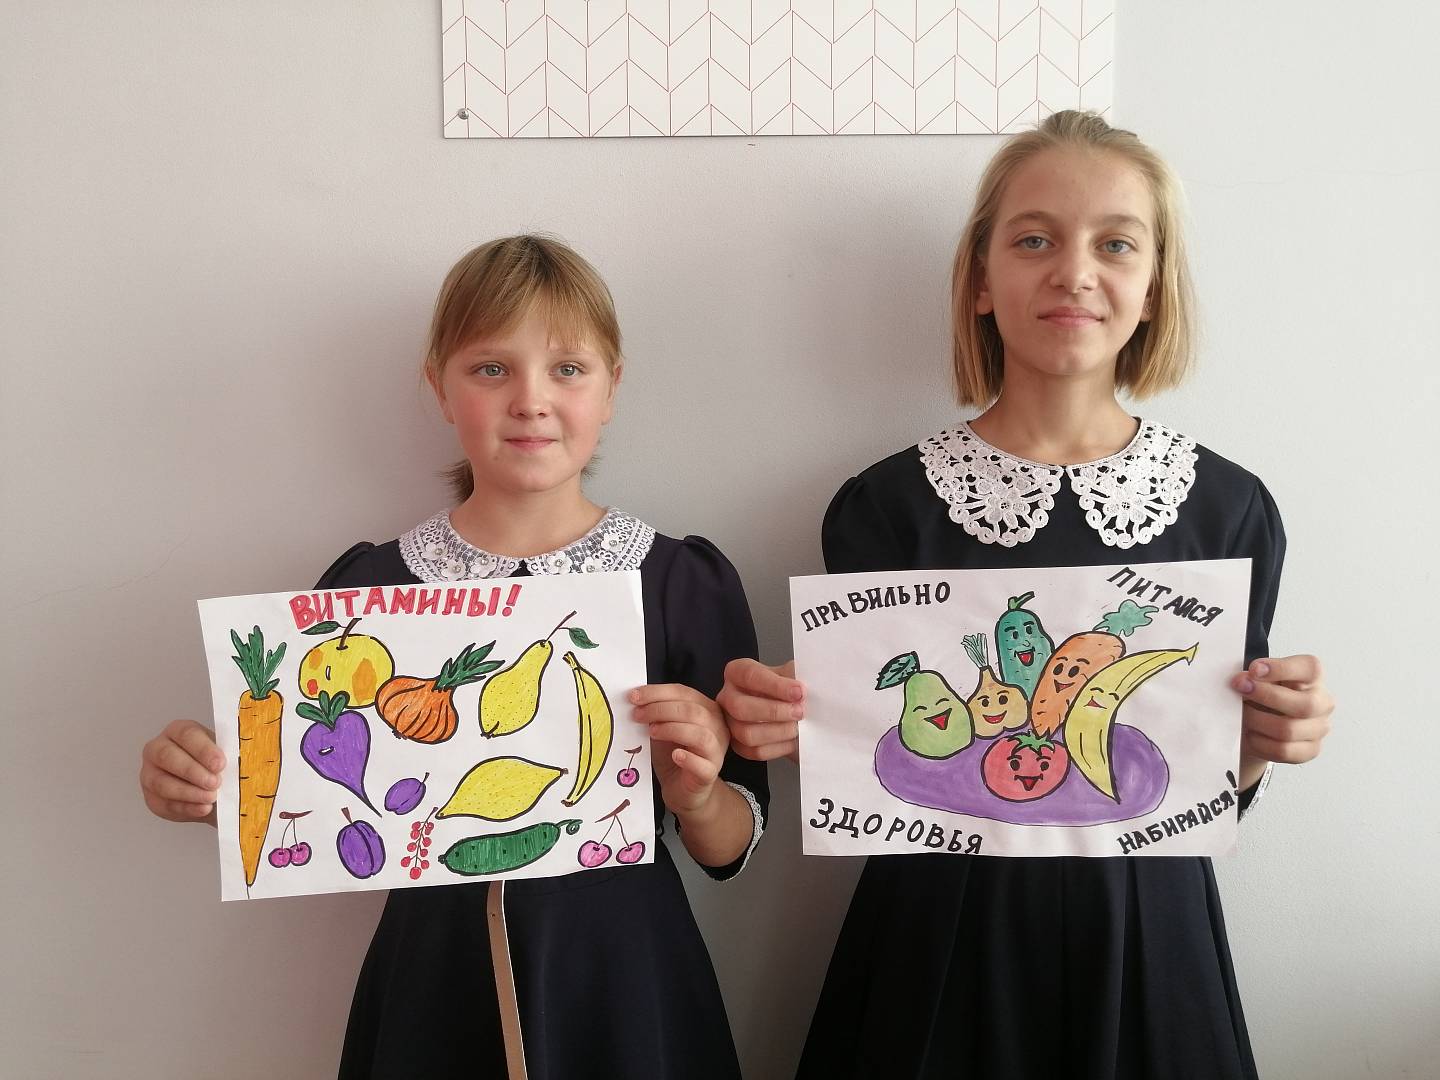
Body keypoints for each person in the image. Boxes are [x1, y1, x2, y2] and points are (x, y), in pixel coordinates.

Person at [719, 111, 1335, 1080]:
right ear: (979, 279)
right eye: (1035, 239)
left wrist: (1264, 743)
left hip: (1147, 935)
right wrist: (790, 724)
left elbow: (1212, 777)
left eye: (1115, 244)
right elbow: (884, 752)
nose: (1074, 272)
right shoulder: (885, 508)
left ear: (1154, 287)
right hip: (938, 936)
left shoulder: (1228, 509)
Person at [139, 235, 768, 1080]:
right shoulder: (364, 593)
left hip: (622, 978)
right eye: (491, 369)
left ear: (612, 386)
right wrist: (206, 791)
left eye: (568, 369)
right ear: (439, 386)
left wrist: (696, 792)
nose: (531, 401)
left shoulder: (680, 581)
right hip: (432, 982)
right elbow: (308, 799)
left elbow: (731, 847)